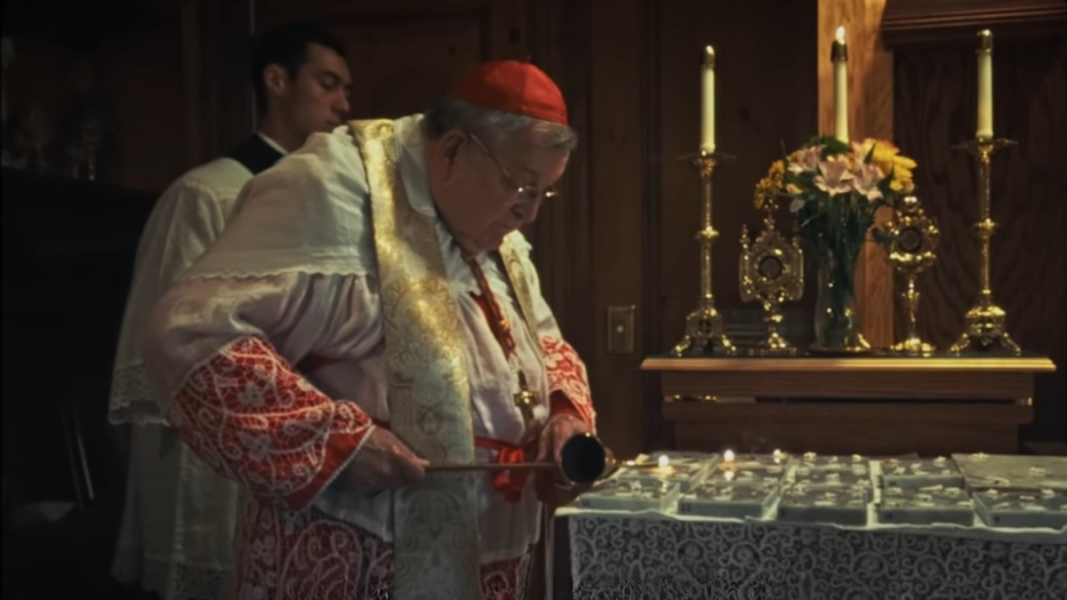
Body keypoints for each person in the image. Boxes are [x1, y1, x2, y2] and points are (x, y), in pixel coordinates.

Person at [140, 59, 597, 600]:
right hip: (358, 554)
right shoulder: (332, 189)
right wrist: (333, 444)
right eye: (522, 186)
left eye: (545, 191)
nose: (531, 214)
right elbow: (191, 336)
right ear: (452, 150)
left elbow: (541, 340)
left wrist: (565, 414)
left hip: (490, 553)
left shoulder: (491, 229)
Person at [107, 21, 352, 600]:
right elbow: (167, 336)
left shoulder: (330, 201)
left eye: (347, 89)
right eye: (328, 83)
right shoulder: (208, 193)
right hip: (210, 444)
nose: (344, 105)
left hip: (301, 437)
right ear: (276, 80)